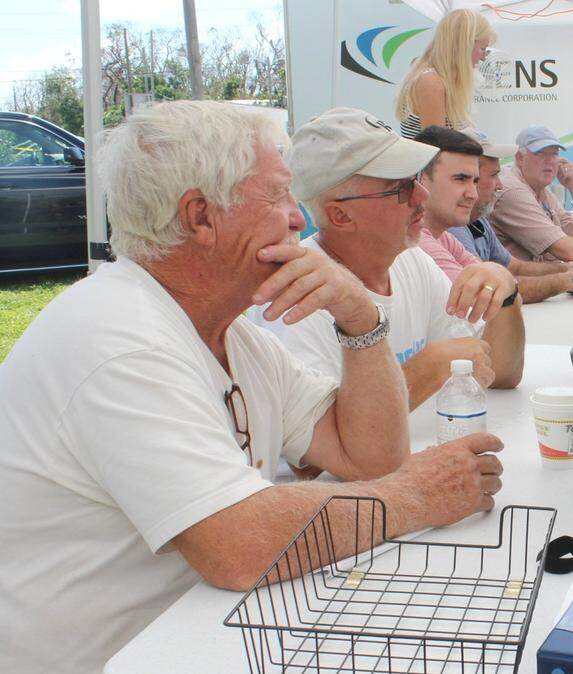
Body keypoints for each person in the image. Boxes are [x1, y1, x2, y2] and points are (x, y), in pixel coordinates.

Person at [0, 101, 505, 673]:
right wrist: (417, 497)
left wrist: (362, 322)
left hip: (192, 639)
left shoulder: (231, 332)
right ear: (200, 217)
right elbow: (237, 546)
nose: (298, 218)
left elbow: (368, 457)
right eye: (279, 197)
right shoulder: (121, 338)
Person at [258, 108, 524, 412]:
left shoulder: (410, 261)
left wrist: (507, 291)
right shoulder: (295, 301)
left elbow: (499, 372)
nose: (421, 195)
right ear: (340, 215)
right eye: (400, 187)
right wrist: (426, 369)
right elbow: (311, 454)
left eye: (415, 179)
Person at [442, 127, 573, 303]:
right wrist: (564, 279)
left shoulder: (478, 219)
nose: (499, 185)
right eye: (464, 178)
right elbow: (486, 290)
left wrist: (567, 271)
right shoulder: (453, 227)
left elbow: (515, 267)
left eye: (553, 154)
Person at [490, 125, 573, 262]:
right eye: (541, 153)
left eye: (554, 153)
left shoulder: (541, 188)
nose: (550, 160)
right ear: (519, 158)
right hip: (521, 280)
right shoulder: (513, 191)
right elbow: (566, 250)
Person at [394, 8, 496, 139]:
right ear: (463, 45)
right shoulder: (430, 82)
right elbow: (438, 148)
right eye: (482, 49)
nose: (483, 57)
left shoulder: (440, 79)